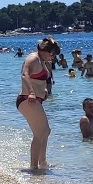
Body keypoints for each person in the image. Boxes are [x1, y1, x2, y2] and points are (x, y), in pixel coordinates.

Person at [17, 38, 58, 173]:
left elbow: (40, 79)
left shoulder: (41, 60)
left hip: (35, 100)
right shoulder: (33, 58)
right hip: (27, 99)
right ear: (45, 51)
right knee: (41, 132)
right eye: (51, 53)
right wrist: (32, 92)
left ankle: (42, 162)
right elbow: (25, 74)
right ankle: (34, 166)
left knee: (45, 131)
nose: (52, 56)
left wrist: (44, 89)